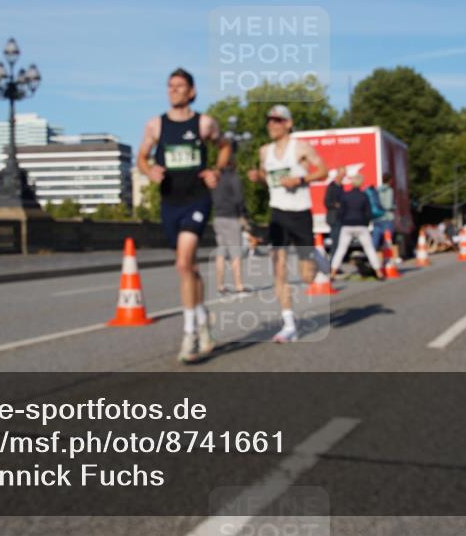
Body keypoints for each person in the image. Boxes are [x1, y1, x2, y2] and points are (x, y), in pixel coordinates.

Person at [137, 68, 231, 363]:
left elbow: (225, 146)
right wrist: (148, 169)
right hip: (170, 202)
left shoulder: (204, 123)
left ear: (191, 91)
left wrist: (216, 170)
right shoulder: (155, 125)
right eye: (170, 86)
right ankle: (204, 321)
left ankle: (189, 333)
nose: (173, 91)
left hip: (197, 199)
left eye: (179, 87)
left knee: (182, 263)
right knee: (189, 267)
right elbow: (142, 156)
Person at [247, 104, 328, 343]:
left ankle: (317, 257)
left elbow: (323, 171)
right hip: (278, 213)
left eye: (278, 120)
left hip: (301, 212)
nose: (272, 124)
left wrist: (300, 178)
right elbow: (266, 179)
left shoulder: (301, 148)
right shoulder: (264, 151)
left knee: (307, 277)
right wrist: (257, 178)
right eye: (269, 120)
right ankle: (289, 324)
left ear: (289, 124)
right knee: (278, 269)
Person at [329, 173, 384, 280]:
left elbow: (340, 212)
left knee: (341, 250)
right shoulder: (364, 196)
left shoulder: (345, 196)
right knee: (369, 249)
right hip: (361, 225)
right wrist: (366, 223)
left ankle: (332, 273)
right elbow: (368, 213)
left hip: (347, 225)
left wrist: (343, 221)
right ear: (361, 183)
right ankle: (379, 272)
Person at [212, 165, 248, 294]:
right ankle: (238, 285)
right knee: (235, 253)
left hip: (218, 217)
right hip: (232, 217)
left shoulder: (216, 177)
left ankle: (220, 285)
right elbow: (239, 198)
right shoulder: (233, 177)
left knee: (221, 252)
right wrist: (243, 214)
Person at [370, 172, 397, 262]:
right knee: (387, 240)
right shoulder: (389, 190)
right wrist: (394, 206)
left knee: (375, 241)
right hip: (386, 218)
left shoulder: (377, 189)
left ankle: (371, 259)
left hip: (377, 218)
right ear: (390, 180)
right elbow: (388, 205)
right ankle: (388, 260)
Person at [324, 169, 344, 259]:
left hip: (340, 217)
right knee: (335, 242)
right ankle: (333, 263)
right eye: (342, 174)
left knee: (339, 242)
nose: (343, 176)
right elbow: (326, 202)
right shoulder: (331, 187)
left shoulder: (341, 187)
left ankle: (336, 263)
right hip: (334, 218)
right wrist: (336, 204)